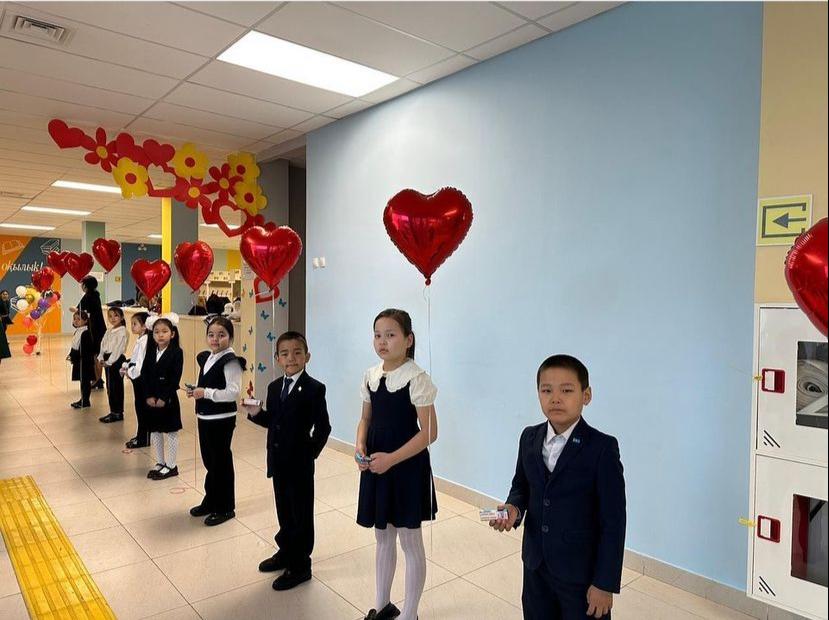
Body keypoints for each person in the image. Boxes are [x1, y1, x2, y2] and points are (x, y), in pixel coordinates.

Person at [489, 355, 626, 620]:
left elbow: (614, 521)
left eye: (566, 390)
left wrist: (605, 583)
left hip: (581, 574)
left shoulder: (602, 448)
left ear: (586, 395)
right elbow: (521, 486)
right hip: (535, 565)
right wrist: (513, 508)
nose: (555, 399)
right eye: (546, 390)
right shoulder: (529, 437)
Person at [355, 309, 438, 620]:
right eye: (378, 335)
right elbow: (365, 419)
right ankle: (382, 605)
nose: (383, 342)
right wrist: (360, 445)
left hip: (406, 468)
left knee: (410, 539)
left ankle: (410, 614)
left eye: (391, 335)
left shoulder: (417, 378)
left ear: (408, 339)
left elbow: (429, 432)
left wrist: (391, 459)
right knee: (383, 536)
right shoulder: (371, 375)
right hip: (377, 465)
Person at [245, 331, 330, 591]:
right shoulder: (274, 387)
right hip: (278, 461)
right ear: (277, 358)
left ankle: (301, 564)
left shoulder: (314, 389)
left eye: (297, 353)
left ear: (307, 357)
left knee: (300, 514)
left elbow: (323, 428)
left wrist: (309, 454)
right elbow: (274, 422)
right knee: (284, 509)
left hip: (300, 464)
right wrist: (256, 414)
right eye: (285, 354)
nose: (291, 358)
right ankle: (286, 551)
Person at [187, 316, 246, 527]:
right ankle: (211, 499)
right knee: (210, 461)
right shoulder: (208, 357)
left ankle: (225, 507)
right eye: (211, 335)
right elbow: (206, 383)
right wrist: (196, 391)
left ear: (231, 338)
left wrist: (206, 393)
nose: (215, 339)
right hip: (205, 417)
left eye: (221, 335)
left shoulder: (231, 361)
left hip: (221, 419)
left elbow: (233, 392)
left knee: (220, 463)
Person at [141, 314, 184, 480]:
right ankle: (160, 462)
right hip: (151, 399)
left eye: (164, 331)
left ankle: (171, 465)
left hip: (168, 399)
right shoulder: (151, 351)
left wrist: (163, 398)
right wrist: (148, 396)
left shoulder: (176, 352)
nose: (160, 335)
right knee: (155, 430)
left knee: (171, 430)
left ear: (172, 334)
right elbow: (145, 374)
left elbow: (175, 378)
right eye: (156, 332)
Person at [122, 311, 151, 448]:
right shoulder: (141, 339)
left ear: (144, 326)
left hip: (141, 379)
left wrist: (129, 372)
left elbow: (139, 364)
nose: (132, 326)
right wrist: (127, 366)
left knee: (142, 408)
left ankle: (143, 438)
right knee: (139, 407)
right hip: (137, 377)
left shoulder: (145, 341)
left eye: (135, 324)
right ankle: (141, 434)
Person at [98, 307, 128, 423]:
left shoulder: (122, 332)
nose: (113, 318)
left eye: (116, 315)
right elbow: (103, 344)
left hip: (116, 360)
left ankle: (118, 412)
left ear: (121, 317)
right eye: (110, 316)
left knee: (116, 387)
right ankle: (113, 411)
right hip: (108, 360)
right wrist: (101, 357)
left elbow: (118, 349)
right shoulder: (109, 331)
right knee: (110, 387)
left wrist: (109, 362)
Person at [76, 276, 106, 390]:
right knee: (98, 354)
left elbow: (80, 311)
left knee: (95, 356)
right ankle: (98, 379)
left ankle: (97, 380)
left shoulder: (88, 297)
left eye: (82, 284)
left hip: (93, 330)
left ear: (86, 285)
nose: (81, 286)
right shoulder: (95, 295)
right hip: (99, 329)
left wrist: (74, 310)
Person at [67, 310, 95, 409]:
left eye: (78, 319)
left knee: (85, 382)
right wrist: (71, 354)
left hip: (84, 362)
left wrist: (76, 356)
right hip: (79, 361)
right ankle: (83, 399)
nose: (75, 321)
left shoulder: (85, 333)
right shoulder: (78, 331)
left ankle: (85, 400)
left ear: (85, 320)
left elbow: (86, 350)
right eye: (74, 319)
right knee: (82, 381)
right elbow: (75, 345)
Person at [0, 290, 11, 365]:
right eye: (3, 294)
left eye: (6, 294)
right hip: (1, 319)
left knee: (4, 330)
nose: (5, 295)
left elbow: (7, 312)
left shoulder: (7, 302)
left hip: (5, 319)